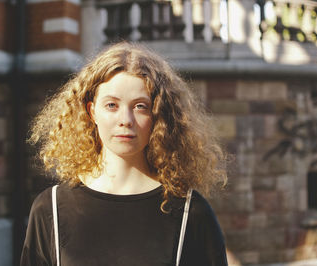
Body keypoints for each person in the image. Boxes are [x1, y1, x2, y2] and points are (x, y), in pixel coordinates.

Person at [20, 42, 228, 266]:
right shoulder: (50, 208)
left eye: (140, 106)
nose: (125, 120)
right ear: (92, 112)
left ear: (158, 116)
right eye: (111, 105)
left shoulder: (191, 213)